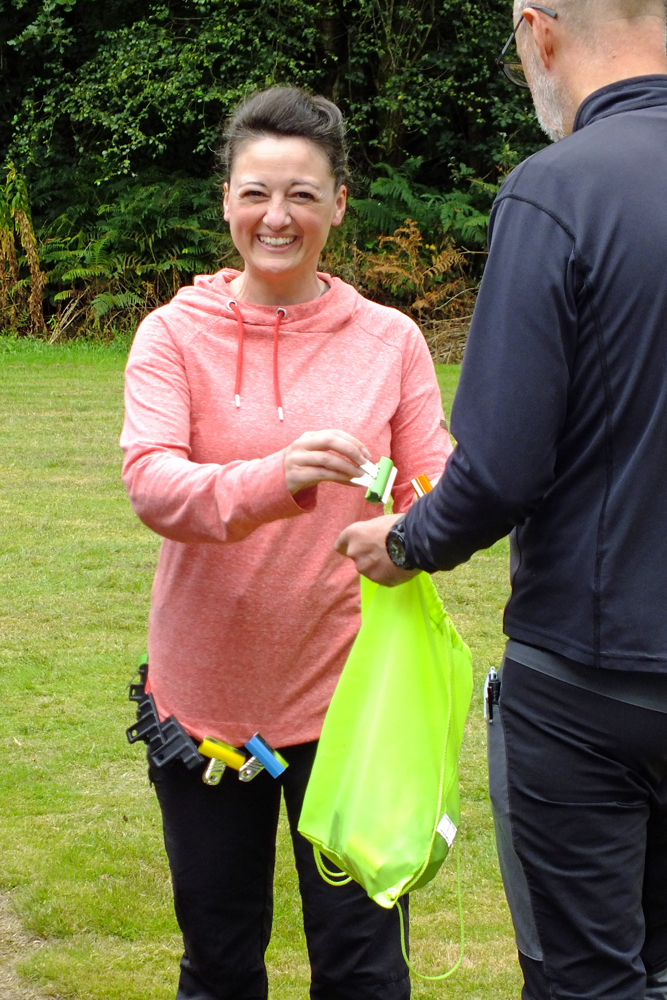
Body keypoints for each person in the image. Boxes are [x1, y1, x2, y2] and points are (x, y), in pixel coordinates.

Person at [335, 3, 667, 999]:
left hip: (589, 683)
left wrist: (406, 538)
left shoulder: (555, 190)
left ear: (537, 28)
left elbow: (500, 469)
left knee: (589, 980)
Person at [120, 86, 452, 1000]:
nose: (279, 216)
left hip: (354, 704)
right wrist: (279, 478)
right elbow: (151, 482)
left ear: (339, 203)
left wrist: (409, 521)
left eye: (303, 194)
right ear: (225, 198)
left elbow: (437, 476)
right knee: (221, 960)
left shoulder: (389, 340)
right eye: (258, 191)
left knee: (362, 966)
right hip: (206, 709)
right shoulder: (170, 336)